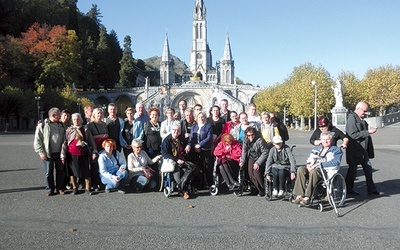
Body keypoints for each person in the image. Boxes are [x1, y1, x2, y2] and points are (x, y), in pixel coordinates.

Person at [292, 131, 343, 205]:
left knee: (314, 172)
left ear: (331, 140)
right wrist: (308, 164)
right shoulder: (317, 148)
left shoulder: (336, 151)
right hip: (313, 168)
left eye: (327, 139)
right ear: (321, 140)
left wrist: (319, 165)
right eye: (323, 139)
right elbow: (309, 158)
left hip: (326, 172)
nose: (325, 141)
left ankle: (307, 197)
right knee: (300, 169)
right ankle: (299, 195)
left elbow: (335, 163)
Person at [345, 102, 379, 196]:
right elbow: (353, 134)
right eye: (364, 111)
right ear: (358, 108)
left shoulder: (360, 118)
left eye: (366, 111)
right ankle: (348, 188)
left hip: (363, 149)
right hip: (355, 149)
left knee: (368, 169)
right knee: (353, 170)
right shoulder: (352, 119)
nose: (365, 113)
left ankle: (371, 189)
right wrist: (368, 132)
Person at [61, 113, 97, 195]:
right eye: (74, 119)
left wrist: (94, 151)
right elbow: (65, 142)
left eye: (78, 119)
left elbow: (91, 141)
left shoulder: (85, 129)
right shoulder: (69, 130)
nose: (76, 121)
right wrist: (62, 155)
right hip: (71, 154)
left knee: (86, 171)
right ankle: (74, 187)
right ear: (72, 121)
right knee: (72, 172)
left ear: (81, 120)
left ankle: (87, 188)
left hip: (83, 154)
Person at [34, 107, 66, 196]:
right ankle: (50, 189)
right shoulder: (43, 126)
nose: (60, 116)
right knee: (49, 172)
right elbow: (37, 140)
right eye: (59, 114)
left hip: (59, 153)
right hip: (48, 153)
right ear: (53, 115)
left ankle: (60, 188)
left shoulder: (62, 125)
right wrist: (41, 152)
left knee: (60, 171)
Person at [161, 124, 198, 199]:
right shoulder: (166, 140)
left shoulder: (181, 139)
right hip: (172, 161)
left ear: (180, 132)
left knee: (193, 167)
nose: (176, 132)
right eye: (174, 130)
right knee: (177, 171)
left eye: (178, 130)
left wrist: (188, 145)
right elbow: (165, 154)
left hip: (182, 159)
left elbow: (188, 143)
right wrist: (176, 160)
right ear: (171, 131)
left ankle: (180, 186)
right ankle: (184, 191)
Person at [186, 111, 213, 188]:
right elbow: (191, 137)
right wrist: (192, 145)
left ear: (205, 117)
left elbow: (209, 138)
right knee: (198, 167)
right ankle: (200, 184)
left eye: (202, 117)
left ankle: (210, 184)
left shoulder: (208, 126)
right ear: (197, 118)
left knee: (207, 167)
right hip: (195, 150)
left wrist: (200, 145)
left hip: (205, 149)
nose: (201, 118)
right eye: (199, 117)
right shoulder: (194, 126)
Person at [239, 127, 269, 196]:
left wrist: (258, 163)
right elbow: (244, 151)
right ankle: (255, 189)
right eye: (248, 135)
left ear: (255, 134)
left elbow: (265, 152)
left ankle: (262, 190)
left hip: (260, 157)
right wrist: (242, 161)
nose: (250, 137)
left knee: (256, 173)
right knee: (250, 173)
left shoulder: (260, 140)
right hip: (251, 157)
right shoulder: (245, 139)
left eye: (252, 135)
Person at [86, 108, 109, 190]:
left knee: (102, 165)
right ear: (94, 115)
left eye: (101, 113)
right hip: (94, 147)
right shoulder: (90, 125)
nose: (99, 115)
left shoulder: (103, 124)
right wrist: (100, 136)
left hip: (103, 147)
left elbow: (107, 133)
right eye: (98, 113)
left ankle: (102, 182)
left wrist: (105, 136)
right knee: (95, 165)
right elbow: (89, 137)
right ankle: (94, 183)